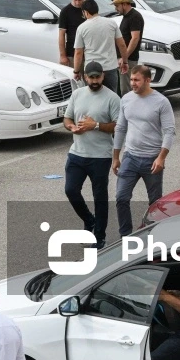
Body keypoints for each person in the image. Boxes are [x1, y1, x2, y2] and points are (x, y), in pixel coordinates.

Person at [63, 60, 121, 247]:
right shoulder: (77, 94)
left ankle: (99, 236)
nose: (95, 80)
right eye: (91, 77)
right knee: (71, 190)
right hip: (77, 153)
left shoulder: (113, 98)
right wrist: (71, 127)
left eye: (98, 77)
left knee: (100, 196)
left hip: (100, 156)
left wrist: (94, 125)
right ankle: (89, 220)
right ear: (85, 77)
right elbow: (67, 117)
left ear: (103, 76)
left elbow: (118, 126)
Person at [112, 65, 174, 239]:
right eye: (131, 79)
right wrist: (116, 157)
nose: (133, 83)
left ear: (148, 80)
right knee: (121, 198)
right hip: (130, 157)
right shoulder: (126, 99)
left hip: (152, 159)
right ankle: (125, 236)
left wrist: (161, 158)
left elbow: (169, 132)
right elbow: (121, 127)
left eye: (136, 80)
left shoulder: (161, 102)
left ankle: (155, 235)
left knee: (155, 203)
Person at [74, 0, 128, 94]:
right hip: (110, 67)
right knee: (112, 96)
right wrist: (125, 62)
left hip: (92, 69)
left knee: (93, 97)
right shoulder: (111, 23)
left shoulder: (82, 28)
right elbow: (122, 45)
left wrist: (76, 71)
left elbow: (78, 52)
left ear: (85, 12)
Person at [114, 0, 143, 93]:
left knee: (126, 90)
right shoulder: (127, 16)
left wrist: (124, 58)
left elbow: (135, 38)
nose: (115, 8)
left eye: (117, 6)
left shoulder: (134, 16)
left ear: (124, 4)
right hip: (125, 59)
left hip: (128, 60)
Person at [58, 0, 87, 72]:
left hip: (88, 52)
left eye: (80, 0)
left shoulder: (87, 9)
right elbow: (61, 35)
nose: (78, 3)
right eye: (75, 0)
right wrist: (63, 56)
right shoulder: (65, 12)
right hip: (72, 52)